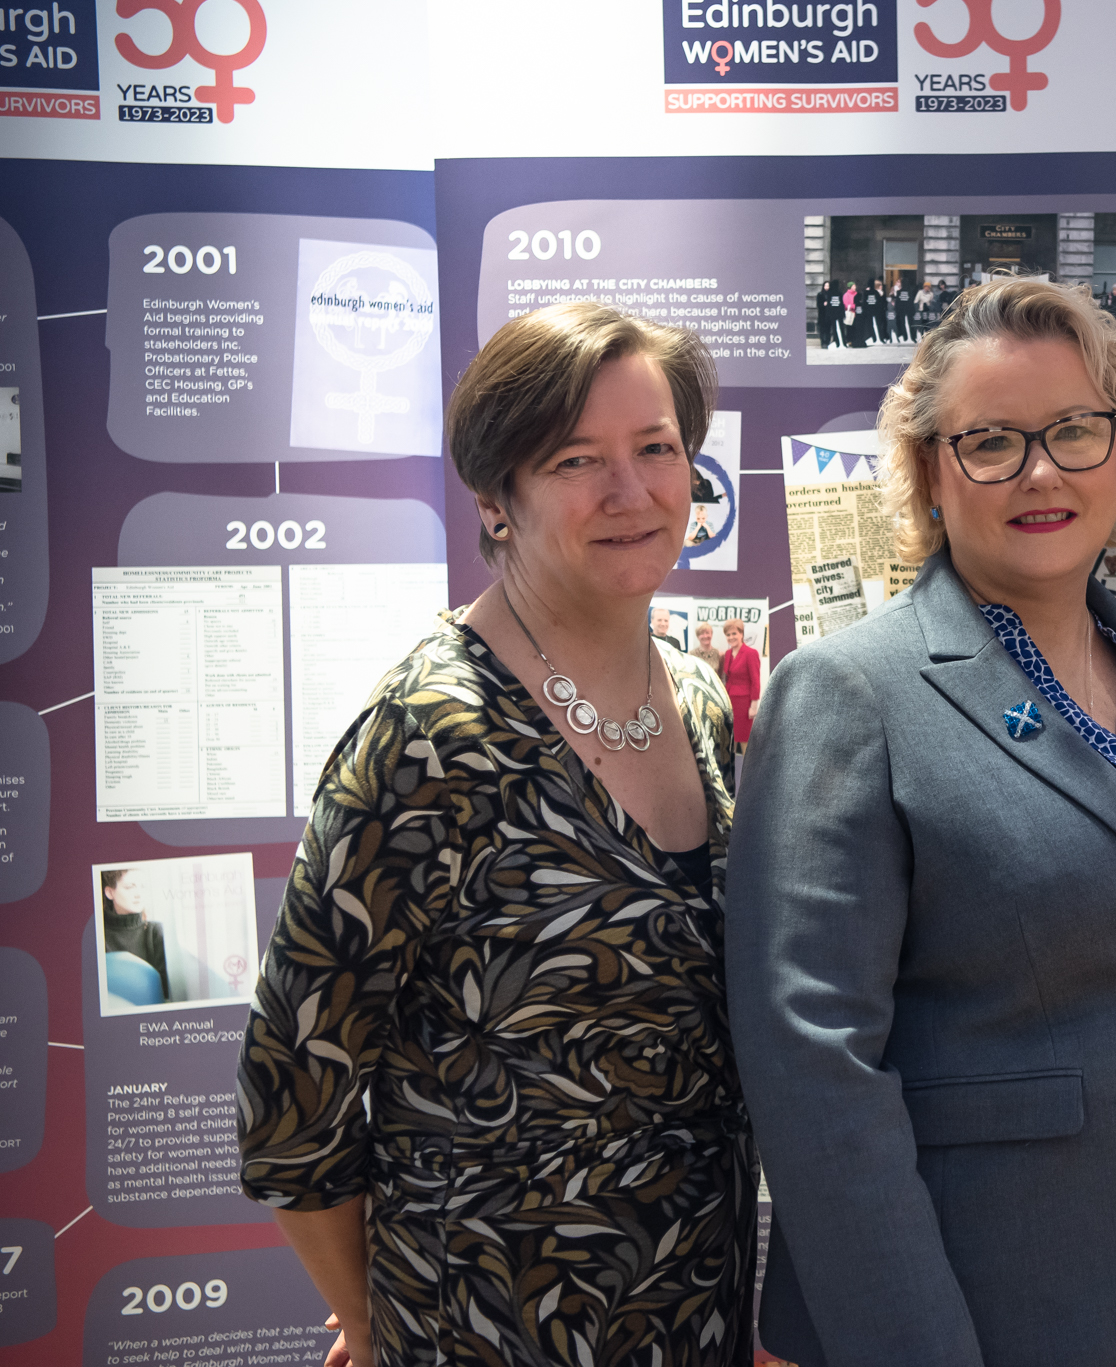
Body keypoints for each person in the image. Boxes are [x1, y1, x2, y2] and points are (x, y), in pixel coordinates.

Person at [728, 277, 1116, 1366]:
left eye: (1074, 431)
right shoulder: (852, 690)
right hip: (1001, 1313)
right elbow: (813, 1066)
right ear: (927, 471)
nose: (1040, 471)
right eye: (990, 440)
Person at [238, 302, 755, 1367]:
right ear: (495, 498)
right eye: (575, 459)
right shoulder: (431, 733)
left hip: (695, 1306)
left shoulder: (698, 698)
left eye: (655, 448)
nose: (630, 491)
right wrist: (371, 1321)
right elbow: (294, 1088)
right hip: (484, 1320)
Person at [99, 869, 169, 1002]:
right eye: (130, 887)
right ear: (109, 892)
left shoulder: (155, 932)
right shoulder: (98, 935)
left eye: (142, 887)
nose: (138, 894)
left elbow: (165, 992)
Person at [718, 618, 761, 751]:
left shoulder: (750, 653)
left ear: (741, 634)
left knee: (744, 741)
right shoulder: (728, 654)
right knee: (730, 740)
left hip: (744, 703)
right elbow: (727, 678)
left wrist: (753, 707)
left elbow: (755, 681)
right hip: (730, 702)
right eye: (728, 635)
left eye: (734, 633)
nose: (731, 637)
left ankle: (747, 771)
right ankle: (731, 771)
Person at [816, 279, 841, 348]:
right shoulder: (820, 294)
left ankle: (827, 341)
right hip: (822, 315)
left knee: (828, 330)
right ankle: (823, 342)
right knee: (822, 330)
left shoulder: (831, 294)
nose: (827, 287)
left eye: (828, 286)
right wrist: (823, 304)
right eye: (825, 286)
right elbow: (818, 305)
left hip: (829, 314)